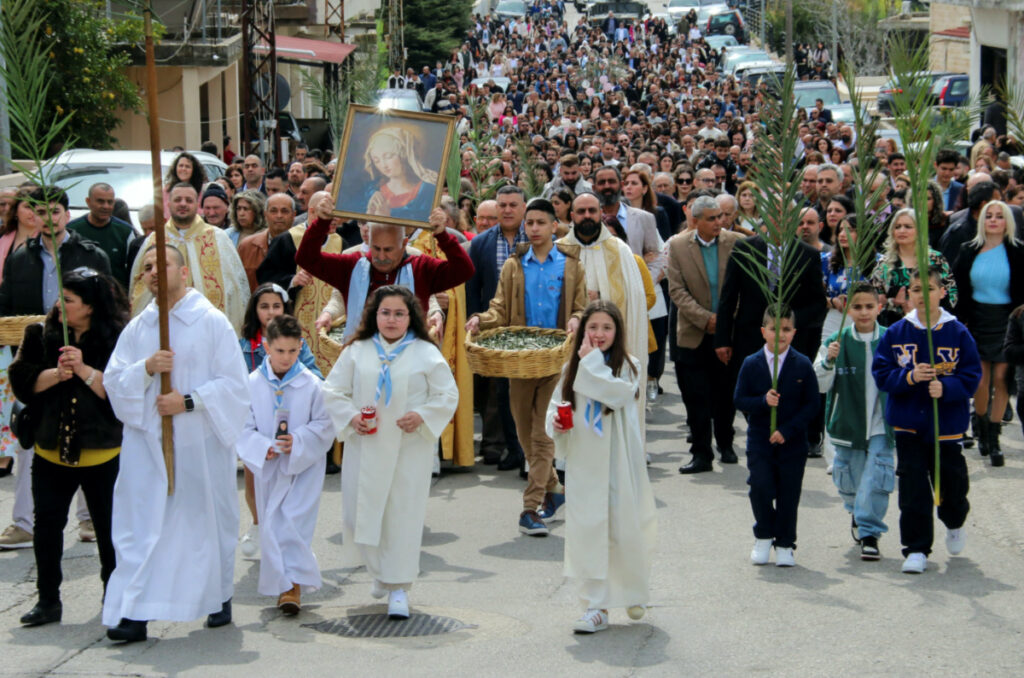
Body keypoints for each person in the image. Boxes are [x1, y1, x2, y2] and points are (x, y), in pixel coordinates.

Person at [102, 244, 251, 642]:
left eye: (161, 264)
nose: (153, 271)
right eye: (147, 266)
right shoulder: (139, 327)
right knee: (143, 526)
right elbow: (114, 382)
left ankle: (217, 596)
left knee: (200, 523)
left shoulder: (210, 322)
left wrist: (187, 401)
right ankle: (136, 613)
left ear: (184, 273)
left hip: (196, 445)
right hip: (148, 446)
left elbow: (235, 386)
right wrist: (146, 369)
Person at [321, 286, 458, 619]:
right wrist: (352, 417)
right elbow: (333, 390)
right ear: (374, 315)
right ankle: (381, 572)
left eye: (399, 313)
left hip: (408, 448)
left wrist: (422, 415)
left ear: (410, 317)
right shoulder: (357, 350)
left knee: (401, 516)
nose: (392, 320)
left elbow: (446, 395)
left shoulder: (425, 353)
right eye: (386, 313)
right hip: (365, 445)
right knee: (360, 514)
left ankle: (399, 588)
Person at [10, 268, 128, 626]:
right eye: (60, 297)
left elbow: (121, 392)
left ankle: (115, 598)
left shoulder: (116, 338)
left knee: (110, 532)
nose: (60, 304)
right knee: (47, 528)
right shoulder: (38, 334)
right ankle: (48, 601)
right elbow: (21, 383)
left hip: (102, 453)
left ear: (91, 307)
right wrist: (54, 374)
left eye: (71, 300)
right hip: (50, 451)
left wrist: (84, 370)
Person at [466, 198, 585, 535]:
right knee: (522, 432)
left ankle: (530, 507)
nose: (533, 229)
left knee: (542, 433)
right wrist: (480, 320)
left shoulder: (571, 264)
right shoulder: (514, 266)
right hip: (521, 359)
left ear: (554, 226)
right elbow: (498, 310)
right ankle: (555, 491)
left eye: (539, 223)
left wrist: (576, 320)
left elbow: (580, 307)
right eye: (529, 223)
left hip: (555, 358)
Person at [545, 300, 656, 634]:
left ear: (617, 332)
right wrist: (558, 423)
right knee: (588, 530)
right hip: (585, 461)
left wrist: (591, 362)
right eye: (592, 327)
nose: (599, 334)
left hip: (618, 460)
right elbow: (557, 405)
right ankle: (596, 606)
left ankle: (632, 590)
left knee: (624, 528)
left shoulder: (629, 366)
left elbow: (616, 394)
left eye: (607, 327)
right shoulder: (573, 368)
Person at [872, 266, 981, 575]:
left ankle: (955, 520)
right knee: (914, 489)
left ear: (942, 292)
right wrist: (909, 376)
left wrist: (946, 388)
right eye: (916, 290)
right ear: (909, 294)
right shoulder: (896, 332)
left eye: (929, 289)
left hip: (946, 426)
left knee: (952, 485)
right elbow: (881, 374)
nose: (922, 295)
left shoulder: (957, 331)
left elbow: (972, 376)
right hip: (909, 424)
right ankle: (917, 548)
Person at [236, 315, 333, 615]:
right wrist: (262, 447)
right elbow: (241, 425)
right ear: (266, 347)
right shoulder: (251, 384)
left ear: (300, 347)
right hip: (270, 469)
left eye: (292, 352)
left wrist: (300, 440)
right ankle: (284, 583)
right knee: (272, 527)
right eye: (279, 351)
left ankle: (293, 587)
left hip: (302, 468)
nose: (286, 358)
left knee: (294, 523)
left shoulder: (313, 385)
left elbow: (325, 425)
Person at [297, 192, 474, 342]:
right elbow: (306, 258)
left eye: (388, 250)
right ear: (368, 242)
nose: (381, 257)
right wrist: (321, 223)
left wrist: (442, 235)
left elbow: (464, 270)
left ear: (404, 244)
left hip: (410, 360)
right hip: (361, 359)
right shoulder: (352, 265)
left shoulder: (420, 267)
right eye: (376, 249)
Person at [237, 283, 324, 558]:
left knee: (292, 490)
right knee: (256, 483)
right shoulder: (243, 346)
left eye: (276, 306)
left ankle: (289, 546)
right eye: (264, 307)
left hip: (291, 420)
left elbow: (314, 374)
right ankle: (259, 523)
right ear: (255, 311)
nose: (271, 312)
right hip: (260, 422)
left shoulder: (298, 345)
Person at [734, 306, 820, 568]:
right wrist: (762, 401)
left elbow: (812, 405)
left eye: (786, 329)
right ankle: (763, 534)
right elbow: (739, 399)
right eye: (774, 329)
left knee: (788, 492)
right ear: (763, 331)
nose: (779, 334)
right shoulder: (752, 363)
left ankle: (785, 543)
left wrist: (788, 430)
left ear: (793, 332)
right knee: (760, 486)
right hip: (760, 438)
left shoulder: (802, 364)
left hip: (792, 442)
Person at [814, 282, 894, 561]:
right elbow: (820, 385)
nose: (863, 313)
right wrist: (828, 362)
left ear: (879, 308)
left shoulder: (891, 338)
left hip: (883, 423)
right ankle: (856, 511)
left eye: (869, 307)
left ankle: (870, 533)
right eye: (857, 307)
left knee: (877, 476)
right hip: (848, 421)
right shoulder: (836, 341)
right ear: (847, 310)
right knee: (849, 479)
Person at [667, 196, 742, 473]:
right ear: (695, 221)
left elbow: (742, 287)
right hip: (692, 333)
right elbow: (676, 291)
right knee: (695, 397)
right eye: (711, 218)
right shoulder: (677, 245)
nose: (718, 223)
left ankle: (726, 443)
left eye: (721, 216)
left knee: (725, 393)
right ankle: (701, 453)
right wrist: (705, 319)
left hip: (727, 333)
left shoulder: (735, 242)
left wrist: (722, 322)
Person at [952, 200, 1024, 466]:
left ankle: (994, 438)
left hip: (1008, 320)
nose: (994, 220)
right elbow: (956, 288)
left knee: (1002, 379)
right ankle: (980, 425)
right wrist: (961, 321)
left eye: (999, 216)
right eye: (989, 216)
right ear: (982, 221)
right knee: (980, 380)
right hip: (976, 319)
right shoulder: (968, 250)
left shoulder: (1018, 251)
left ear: (1008, 222)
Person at [127, 183, 250, 335]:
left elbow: (237, 290)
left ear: (197, 205)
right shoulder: (155, 239)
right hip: (165, 330)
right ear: (169, 204)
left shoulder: (218, 238)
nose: (183, 204)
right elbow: (140, 289)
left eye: (188, 200)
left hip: (208, 331)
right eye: (178, 200)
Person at [466, 186, 529, 470]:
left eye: (513, 204)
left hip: (533, 326)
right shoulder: (480, 244)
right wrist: (475, 320)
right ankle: (506, 447)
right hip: (495, 326)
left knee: (531, 388)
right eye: (502, 205)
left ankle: (532, 448)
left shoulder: (540, 237)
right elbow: (473, 289)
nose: (506, 210)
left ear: (524, 208)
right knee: (499, 390)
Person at [870, 208, 957, 329]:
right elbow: (873, 300)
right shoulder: (883, 264)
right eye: (897, 226)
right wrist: (893, 303)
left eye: (908, 226)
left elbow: (952, 295)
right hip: (895, 327)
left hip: (932, 325)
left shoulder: (936, 259)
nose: (902, 230)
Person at [66, 183, 136, 289]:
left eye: (110, 202)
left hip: (116, 298)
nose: (106, 206)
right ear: (88, 202)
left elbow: (135, 269)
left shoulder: (126, 231)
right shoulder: (72, 230)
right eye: (100, 201)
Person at [358, 126, 438, 220]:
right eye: (376, 160)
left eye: (388, 156)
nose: (383, 165)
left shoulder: (428, 190)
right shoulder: (372, 191)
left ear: (404, 155)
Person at [238, 193, 293, 291]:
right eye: (273, 211)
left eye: (284, 211)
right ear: (265, 214)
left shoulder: (303, 244)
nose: (279, 216)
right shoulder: (247, 246)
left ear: (294, 215)